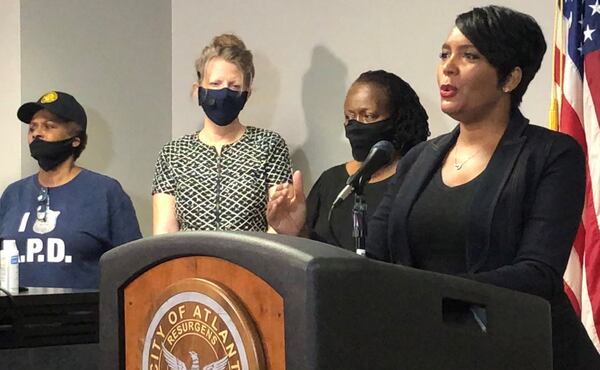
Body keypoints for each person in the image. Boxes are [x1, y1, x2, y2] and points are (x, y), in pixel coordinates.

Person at [267, 6, 600, 368]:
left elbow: (537, 274)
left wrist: (422, 296)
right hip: (432, 351)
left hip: (526, 353)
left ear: (510, 78)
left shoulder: (551, 155)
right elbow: (372, 264)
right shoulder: (418, 159)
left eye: (469, 55)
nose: (448, 66)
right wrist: (299, 233)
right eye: (445, 53)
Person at [0, 91, 142, 289]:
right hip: (17, 316)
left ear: (76, 140)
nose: (36, 133)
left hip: (82, 316)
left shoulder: (105, 192)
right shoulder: (13, 195)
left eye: (48, 126)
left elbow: (133, 267)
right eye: (32, 127)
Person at [152, 34, 292, 234]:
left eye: (234, 86)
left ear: (247, 94)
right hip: (189, 264)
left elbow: (279, 226)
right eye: (216, 84)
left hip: (251, 263)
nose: (224, 93)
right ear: (198, 90)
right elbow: (164, 234)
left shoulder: (269, 145)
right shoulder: (172, 154)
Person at [303, 70, 429, 250]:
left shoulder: (414, 180)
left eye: (368, 116)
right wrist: (295, 230)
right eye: (349, 116)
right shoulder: (330, 181)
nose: (355, 124)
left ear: (397, 119)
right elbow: (307, 247)